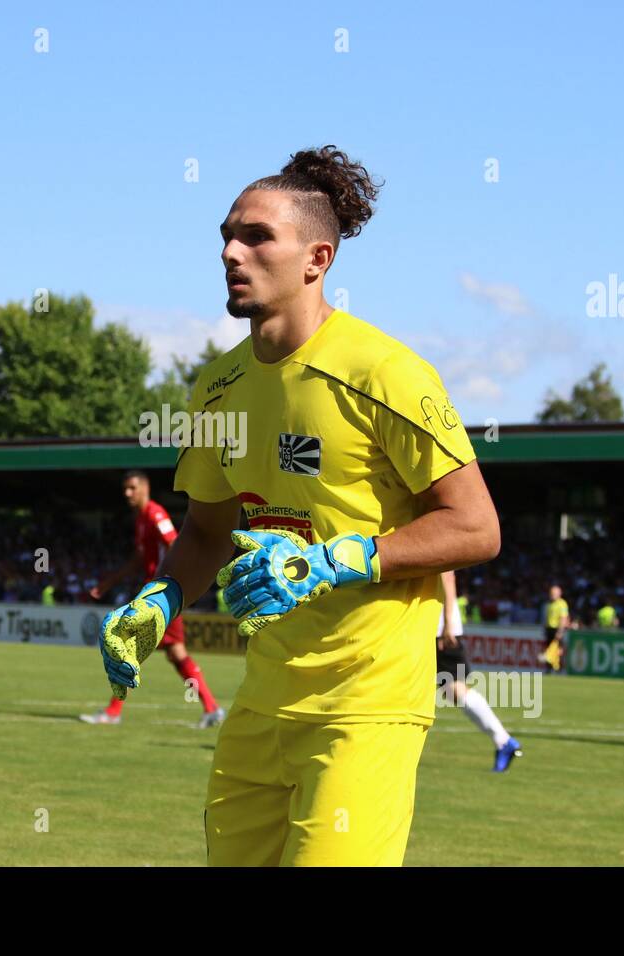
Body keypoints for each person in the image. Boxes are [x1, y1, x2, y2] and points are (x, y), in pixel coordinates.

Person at [95, 146, 500, 865]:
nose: (230, 251)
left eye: (256, 237)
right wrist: (160, 599)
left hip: (366, 704)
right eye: (226, 234)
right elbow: (207, 529)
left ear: (317, 259)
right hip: (262, 700)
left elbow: (476, 527)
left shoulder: (386, 373)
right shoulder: (216, 388)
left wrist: (343, 559)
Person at [81, 471, 225, 728]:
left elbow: (174, 542)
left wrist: (174, 583)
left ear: (144, 489)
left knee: (128, 647)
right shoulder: (140, 519)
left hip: (160, 596)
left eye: (132, 488)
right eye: (125, 489)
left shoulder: (155, 514)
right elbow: (139, 560)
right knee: (174, 653)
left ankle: (113, 712)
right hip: (157, 593)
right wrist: (107, 584)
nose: (128, 493)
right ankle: (212, 708)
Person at [437, 570, 522, 772]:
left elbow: (447, 576)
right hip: (435, 626)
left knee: (454, 689)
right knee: (452, 691)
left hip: (439, 629)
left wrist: (448, 623)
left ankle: (503, 740)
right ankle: (503, 741)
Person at [542, 585, 569, 671]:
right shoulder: (549, 604)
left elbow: (563, 618)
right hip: (549, 629)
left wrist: (560, 631)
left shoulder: (562, 604)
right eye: (551, 593)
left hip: (557, 629)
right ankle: (549, 668)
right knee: (548, 649)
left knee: (558, 650)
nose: (552, 595)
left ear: (559, 594)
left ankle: (559, 668)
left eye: (554, 593)